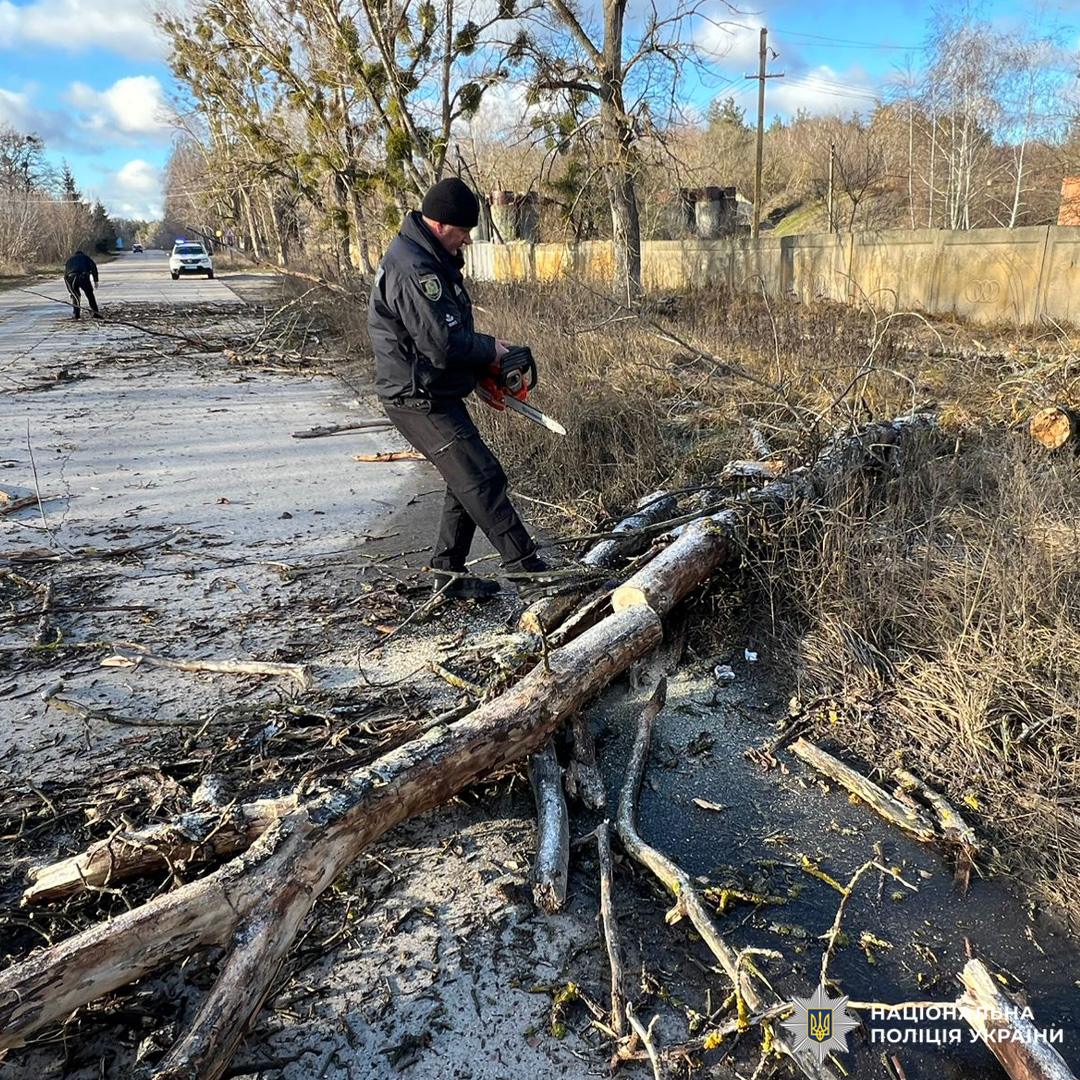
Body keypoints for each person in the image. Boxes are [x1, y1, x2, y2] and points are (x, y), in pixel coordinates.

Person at [368, 177, 551, 599]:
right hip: (416, 398)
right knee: (483, 477)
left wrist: (477, 379)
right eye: (465, 232)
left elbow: (438, 336)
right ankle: (528, 572)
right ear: (440, 224)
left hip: (433, 389)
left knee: (464, 478)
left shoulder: (428, 256)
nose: (467, 240)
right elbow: (441, 343)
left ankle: (447, 574)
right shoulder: (415, 268)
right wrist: (490, 350)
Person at [64, 251, 101, 320]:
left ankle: (76, 315)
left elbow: (65, 274)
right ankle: (96, 314)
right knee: (90, 295)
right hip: (83, 276)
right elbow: (93, 268)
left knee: (75, 296)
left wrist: (70, 290)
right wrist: (96, 280)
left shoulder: (70, 260)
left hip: (70, 278)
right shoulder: (86, 258)